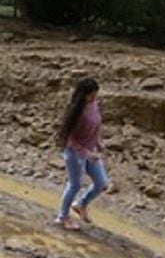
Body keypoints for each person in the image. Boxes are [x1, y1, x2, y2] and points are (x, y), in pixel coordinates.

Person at [55, 77, 109, 230]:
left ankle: (81, 204)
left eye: (95, 95)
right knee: (75, 185)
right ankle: (62, 217)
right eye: (91, 95)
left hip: (90, 150)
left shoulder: (94, 105)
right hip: (74, 153)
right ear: (83, 95)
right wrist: (86, 153)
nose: (94, 98)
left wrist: (98, 143)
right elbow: (70, 140)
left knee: (101, 182)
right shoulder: (75, 112)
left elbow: (97, 124)